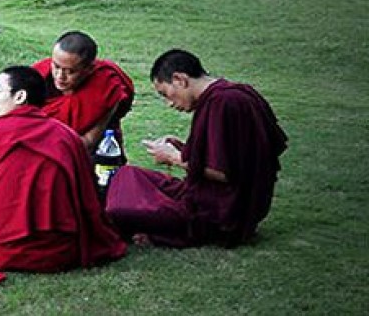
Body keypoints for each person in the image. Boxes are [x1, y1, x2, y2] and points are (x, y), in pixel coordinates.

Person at [0, 66, 127, 285]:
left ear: (20, 96)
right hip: (63, 252)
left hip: (0, 252)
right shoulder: (68, 137)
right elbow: (87, 200)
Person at [105, 49, 288, 248]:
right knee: (127, 175)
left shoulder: (222, 102)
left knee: (117, 211)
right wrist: (183, 148)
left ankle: (162, 233)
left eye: (166, 94)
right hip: (226, 200)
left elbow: (223, 173)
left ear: (179, 79)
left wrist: (175, 157)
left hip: (219, 214)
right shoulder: (240, 93)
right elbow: (235, 153)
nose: (169, 104)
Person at [31, 31, 134, 155]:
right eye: (56, 66)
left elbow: (89, 141)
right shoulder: (36, 77)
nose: (60, 76)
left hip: (90, 155)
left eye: (71, 72)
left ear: (89, 69)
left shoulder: (106, 86)